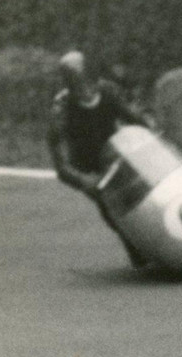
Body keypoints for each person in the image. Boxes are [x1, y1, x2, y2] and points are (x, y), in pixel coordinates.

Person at [46, 50, 154, 268]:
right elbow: (61, 165)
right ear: (69, 85)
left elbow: (135, 116)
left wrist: (152, 132)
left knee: (151, 186)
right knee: (111, 206)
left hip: (119, 152)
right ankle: (131, 243)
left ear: (94, 76)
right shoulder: (61, 110)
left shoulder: (109, 91)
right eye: (78, 84)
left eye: (88, 80)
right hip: (88, 168)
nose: (86, 88)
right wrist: (83, 179)